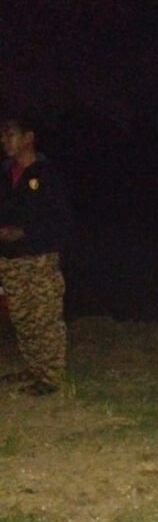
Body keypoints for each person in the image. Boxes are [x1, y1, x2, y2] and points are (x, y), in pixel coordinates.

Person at [0, 113, 72, 396]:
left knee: (45, 317)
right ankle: (33, 368)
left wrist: (24, 232)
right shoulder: (4, 173)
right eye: (3, 135)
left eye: (10, 134)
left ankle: (51, 377)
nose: (4, 140)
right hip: (9, 259)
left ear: (28, 137)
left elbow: (61, 221)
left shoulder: (47, 174)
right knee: (22, 317)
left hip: (40, 256)